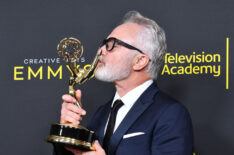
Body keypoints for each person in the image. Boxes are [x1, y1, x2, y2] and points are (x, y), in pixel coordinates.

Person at [54, 11, 193, 155]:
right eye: (104, 43)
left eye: (112, 45)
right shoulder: (101, 113)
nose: (100, 51)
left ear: (140, 61)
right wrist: (66, 133)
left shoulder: (170, 114)